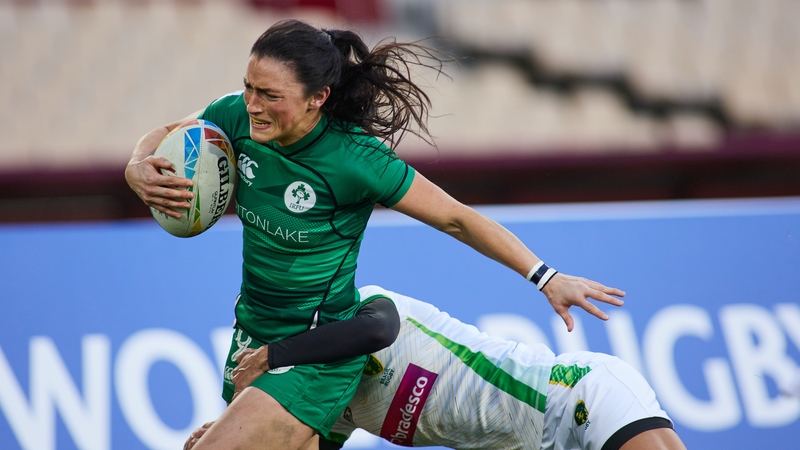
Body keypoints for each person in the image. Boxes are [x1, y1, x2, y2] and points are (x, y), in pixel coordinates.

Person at [126, 19, 625, 450]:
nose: (252, 104)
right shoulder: (234, 114)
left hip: (318, 348)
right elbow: (169, 131)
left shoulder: (356, 159)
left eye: (270, 95)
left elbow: (457, 217)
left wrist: (545, 276)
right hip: (252, 334)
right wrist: (138, 167)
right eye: (249, 87)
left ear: (318, 97)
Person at [187, 285, 687, 450]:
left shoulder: (359, 307)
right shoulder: (321, 404)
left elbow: (376, 333)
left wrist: (276, 357)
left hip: (576, 396)